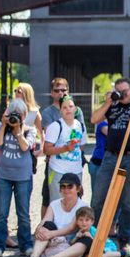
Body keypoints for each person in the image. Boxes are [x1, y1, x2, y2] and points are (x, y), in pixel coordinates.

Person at [91, 77, 130, 253]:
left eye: (125, 91)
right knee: (99, 197)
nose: (122, 94)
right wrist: (107, 103)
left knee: (128, 200)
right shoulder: (113, 105)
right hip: (110, 157)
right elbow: (94, 119)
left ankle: (124, 239)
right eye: (119, 91)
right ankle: (96, 235)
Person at [0, 99, 36, 257]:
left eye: (19, 114)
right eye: (13, 114)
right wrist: (4, 125)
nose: (16, 117)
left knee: (23, 213)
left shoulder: (30, 130)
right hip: (3, 175)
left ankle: (26, 245)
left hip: (23, 176)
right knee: (2, 213)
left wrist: (18, 131)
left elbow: (25, 147)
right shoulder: (3, 127)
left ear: (24, 115)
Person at [40, 78, 85, 217]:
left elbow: (81, 147)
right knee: (56, 203)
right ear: (60, 110)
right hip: (57, 169)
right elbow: (46, 149)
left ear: (75, 108)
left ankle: (71, 232)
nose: (68, 110)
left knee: (75, 202)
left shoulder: (79, 125)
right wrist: (65, 148)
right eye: (64, 107)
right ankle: (54, 233)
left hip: (76, 169)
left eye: (70, 107)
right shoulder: (55, 126)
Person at [33, 207, 130, 257]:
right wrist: (76, 237)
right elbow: (71, 245)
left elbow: (100, 244)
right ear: (77, 221)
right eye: (81, 220)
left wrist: (90, 238)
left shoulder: (94, 230)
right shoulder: (78, 231)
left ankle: (123, 254)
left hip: (105, 248)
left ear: (92, 221)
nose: (84, 223)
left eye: (87, 220)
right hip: (89, 253)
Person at [25, 173, 88, 257]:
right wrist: (39, 229)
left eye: (70, 186)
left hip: (72, 241)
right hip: (53, 240)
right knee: (46, 226)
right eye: (63, 186)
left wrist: (50, 234)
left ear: (78, 189)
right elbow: (45, 220)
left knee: (86, 239)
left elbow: (70, 228)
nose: (66, 189)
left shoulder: (83, 206)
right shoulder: (54, 204)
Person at [88, 120, 108, 196]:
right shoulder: (103, 124)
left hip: (109, 164)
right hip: (98, 164)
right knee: (98, 197)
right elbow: (112, 133)